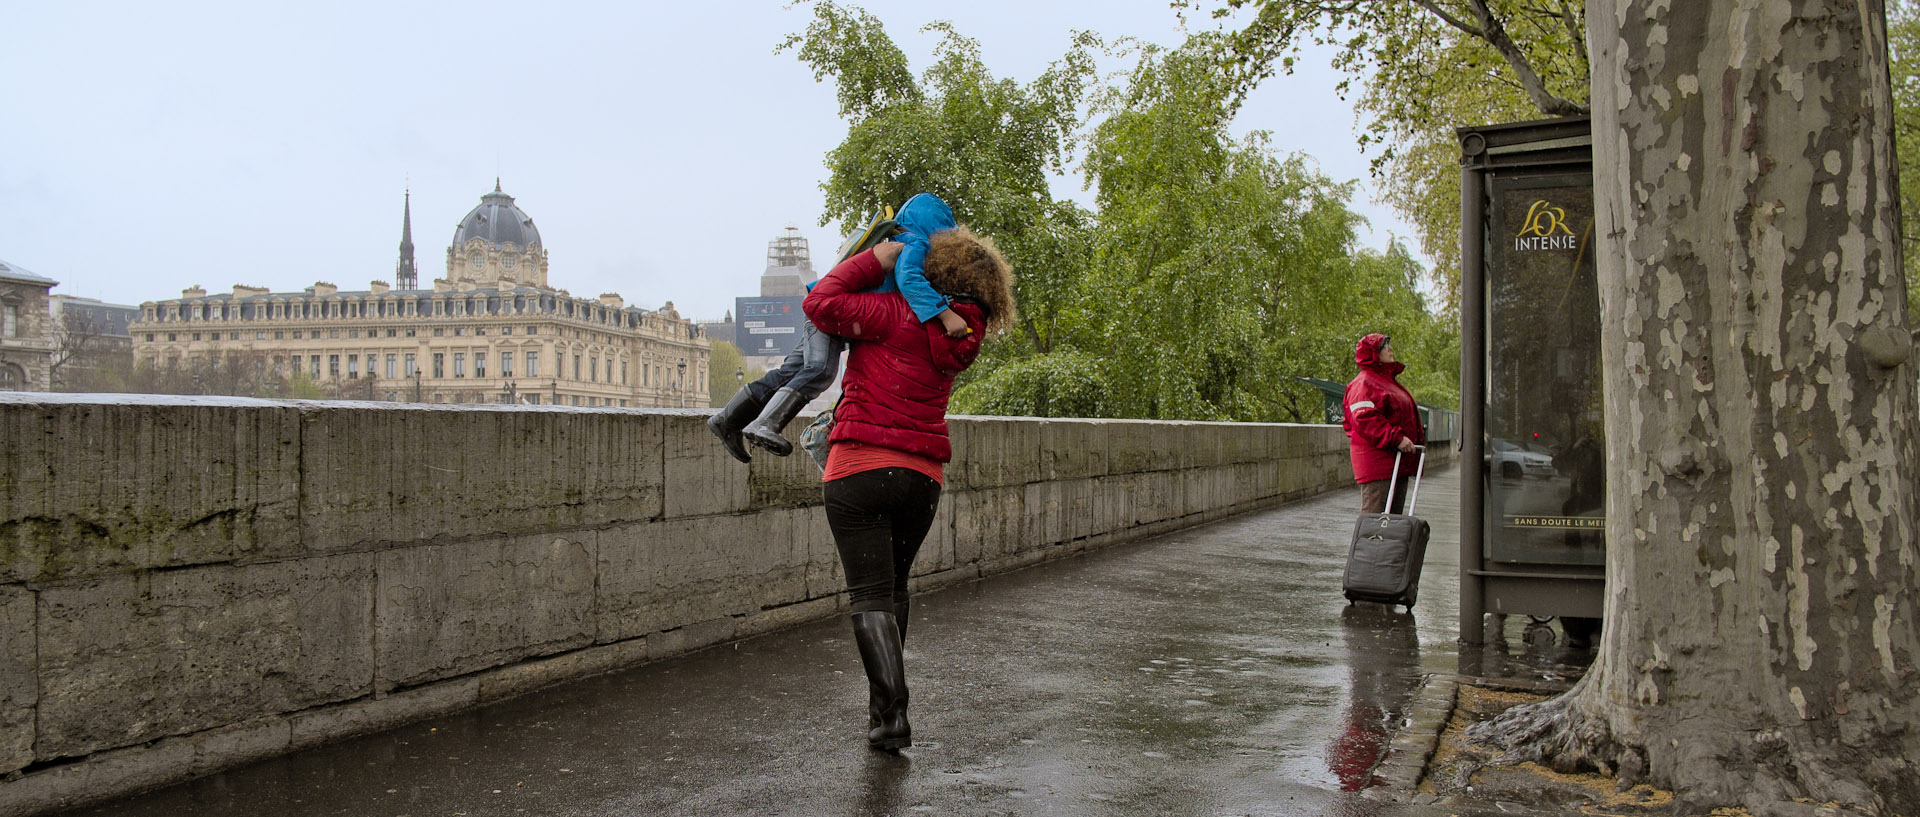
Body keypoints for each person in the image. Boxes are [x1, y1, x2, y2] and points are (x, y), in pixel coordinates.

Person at [802, 223, 1014, 753]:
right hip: (922, 478)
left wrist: (877, 259)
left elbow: (822, 302)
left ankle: (893, 714)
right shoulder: (965, 334)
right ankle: (883, 715)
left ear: (926, 270)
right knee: (893, 589)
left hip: (860, 469)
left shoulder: (893, 314)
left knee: (869, 594)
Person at [707, 194, 972, 462]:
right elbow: (910, 281)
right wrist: (945, 314)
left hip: (831, 317)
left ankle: (728, 419)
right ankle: (765, 424)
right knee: (820, 370)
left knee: (792, 371)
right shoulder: (916, 244)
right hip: (831, 316)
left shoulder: (895, 241)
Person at [1343, 333, 1425, 514]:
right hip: (1378, 463)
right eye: (1385, 346)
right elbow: (1364, 418)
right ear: (1374, 354)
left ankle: (1383, 544)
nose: (1390, 349)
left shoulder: (1385, 381)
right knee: (1375, 519)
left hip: (1396, 462)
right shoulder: (1365, 382)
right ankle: (1369, 544)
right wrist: (1396, 438)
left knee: (1390, 521)